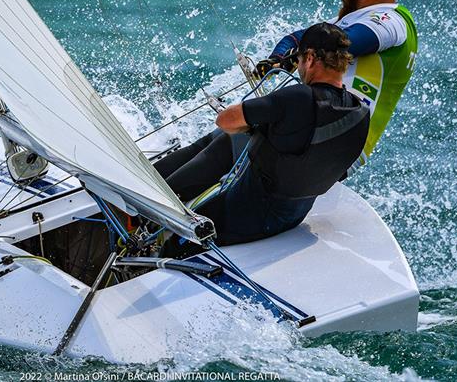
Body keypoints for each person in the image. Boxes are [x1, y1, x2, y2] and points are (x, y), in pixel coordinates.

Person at [155, 23, 369, 247]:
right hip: (292, 218)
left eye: (299, 61)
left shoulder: (298, 97)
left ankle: (149, 203)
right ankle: (156, 189)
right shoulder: (359, 112)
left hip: (243, 217)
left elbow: (225, 119)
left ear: (311, 57)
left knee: (171, 239)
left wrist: (254, 129)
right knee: (241, 141)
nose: (299, 69)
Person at [256, 0, 418, 170]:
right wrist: (277, 59)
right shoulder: (352, 19)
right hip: (323, 129)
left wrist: (301, 53)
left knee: (237, 138)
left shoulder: (392, 20)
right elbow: (295, 38)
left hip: (343, 141)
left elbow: (346, 43)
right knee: (233, 138)